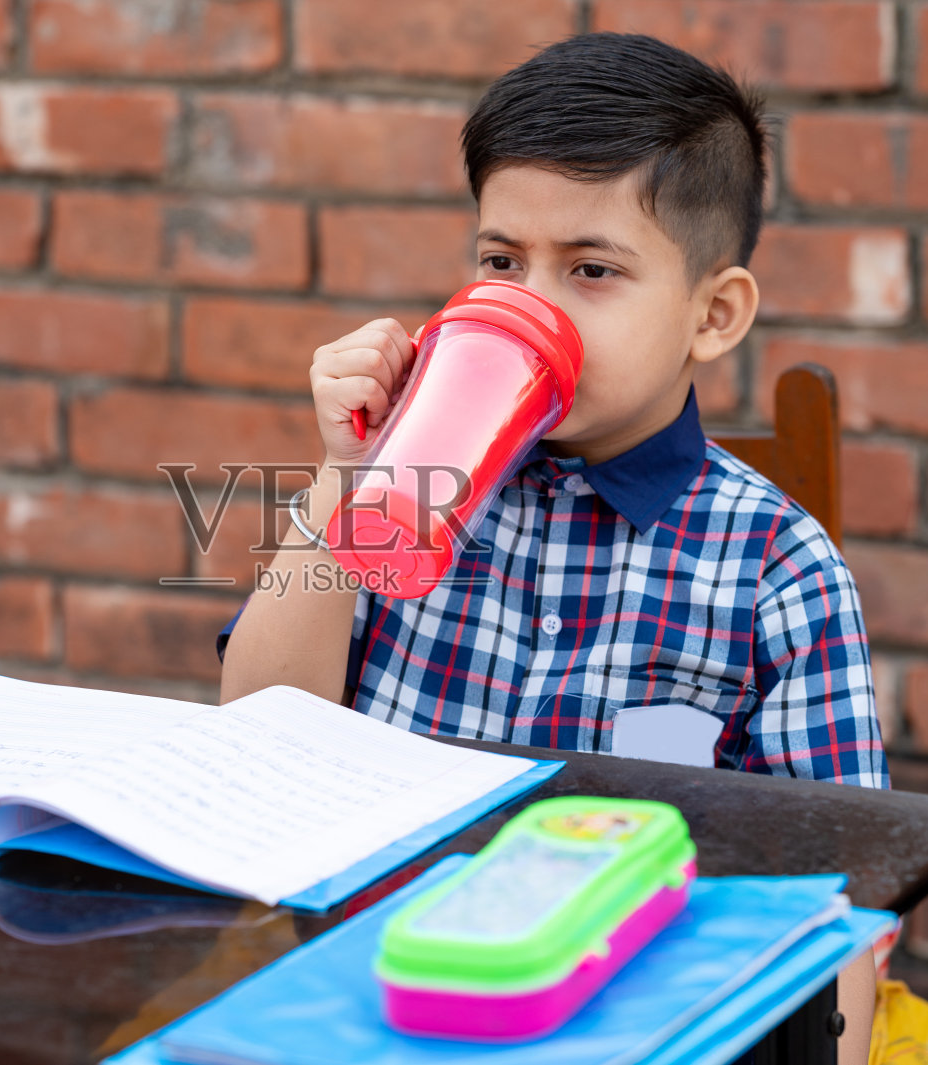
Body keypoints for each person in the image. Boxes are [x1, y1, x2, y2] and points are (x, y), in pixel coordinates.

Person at [216, 32, 885, 1062]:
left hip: (626, 1015)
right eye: (501, 262)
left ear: (712, 314)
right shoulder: (416, 485)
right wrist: (347, 473)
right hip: (371, 981)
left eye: (591, 269)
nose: (530, 307)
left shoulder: (774, 565)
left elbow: (835, 890)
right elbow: (264, 729)